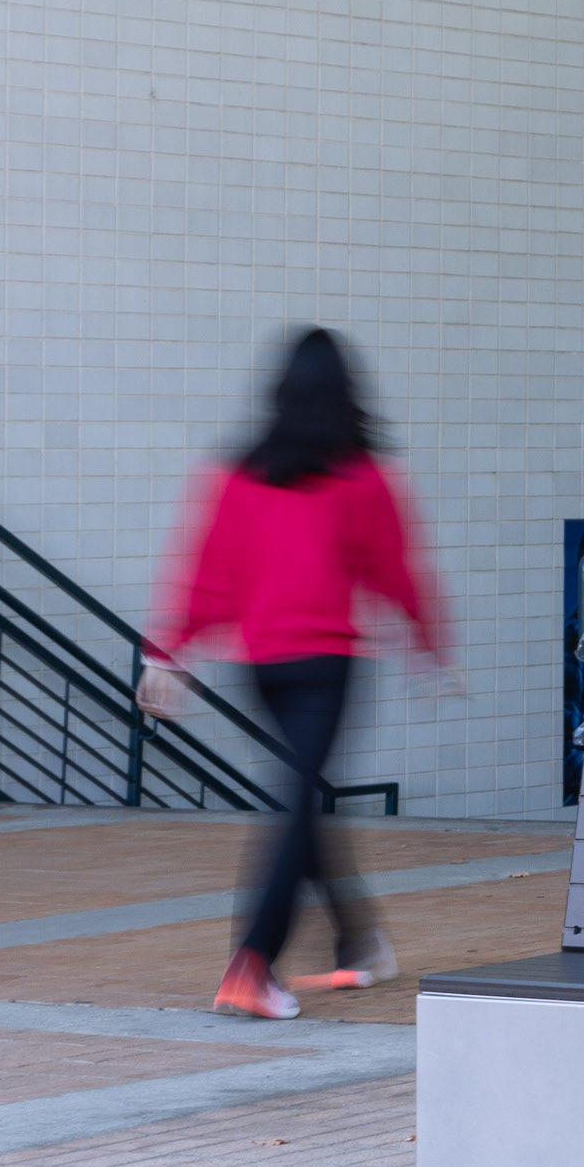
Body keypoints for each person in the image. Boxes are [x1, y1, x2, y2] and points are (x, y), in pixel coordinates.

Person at [139, 328, 451, 1019]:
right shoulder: (364, 475)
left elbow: (206, 573)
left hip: (259, 665)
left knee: (300, 801)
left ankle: (357, 942)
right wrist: (431, 648)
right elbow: (397, 570)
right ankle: (253, 961)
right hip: (327, 665)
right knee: (295, 808)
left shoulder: (237, 473)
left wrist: (168, 652)